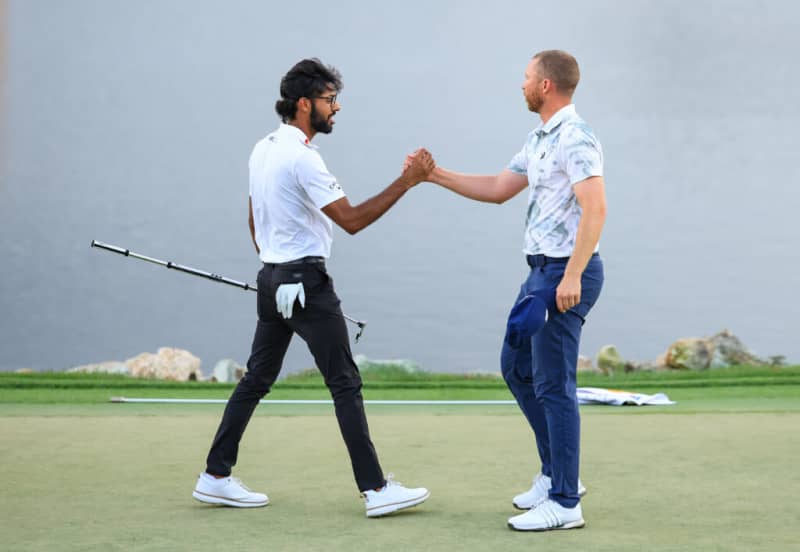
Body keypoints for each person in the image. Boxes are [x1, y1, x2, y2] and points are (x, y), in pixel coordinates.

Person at [192, 58, 432, 518]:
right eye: (329, 100)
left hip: (273, 281)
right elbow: (353, 220)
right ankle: (376, 490)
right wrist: (409, 180)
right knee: (345, 383)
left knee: (257, 378)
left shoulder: (262, 148)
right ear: (304, 104)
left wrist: (274, 269)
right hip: (306, 285)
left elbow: (254, 219)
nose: (336, 108)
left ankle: (215, 476)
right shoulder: (304, 157)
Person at [419, 50, 606, 531]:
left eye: (526, 78)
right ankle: (555, 473)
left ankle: (566, 503)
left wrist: (571, 278)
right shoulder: (539, 137)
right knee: (516, 367)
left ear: (545, 86)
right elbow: (500, 187)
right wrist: (434, 175)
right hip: (540, 273)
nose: (520, 85)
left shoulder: (576, 137)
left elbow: (596, 209)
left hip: (566, 275)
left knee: (553, 386)